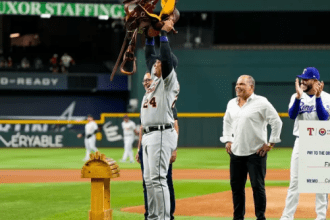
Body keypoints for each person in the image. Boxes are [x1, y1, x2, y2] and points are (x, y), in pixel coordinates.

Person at [220, 75, 283, 220]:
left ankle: (260, 217)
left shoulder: (261, 102)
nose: (238, 86)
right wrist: (228, 140)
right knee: (237, 188)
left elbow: (276, 122)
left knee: (257, 187)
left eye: (242, 84)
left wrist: (270, 143)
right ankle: (238, 217)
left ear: (251, 87)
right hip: (236, 152)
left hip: (256, 153)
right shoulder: (231, 103)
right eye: (237, 84)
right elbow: (227, 121)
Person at [140, 19, 180, 220]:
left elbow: (163, 56)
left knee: (158, 179)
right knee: (149, 180)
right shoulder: (155, 80)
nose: (155, 63)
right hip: (149, 135)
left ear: (166, 67)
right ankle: (154, 216)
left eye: (158, 63)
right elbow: (149, 56)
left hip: (162, 133)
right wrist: (148, 36)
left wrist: (163, 34)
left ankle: (163, 218)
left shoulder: (168, 80)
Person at [280, 67, 330, 220]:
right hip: (301, 140)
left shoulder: (327, 97)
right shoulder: (297, 96)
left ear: (315, 81)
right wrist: (297, 97)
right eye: (302, 78)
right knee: (294, 182)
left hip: (320, 141)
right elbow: (291, 115)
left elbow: (324, 118)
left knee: (320, 184)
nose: (302, 81)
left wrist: (318, 97)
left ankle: (320, 217)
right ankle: (287, 217)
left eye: (306, 79)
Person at [136, 74, 179, 219]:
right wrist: (139, 148)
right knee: (149, 181)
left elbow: (175, 124)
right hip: (148, 140)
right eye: (145, 80)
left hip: (161, 137)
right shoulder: (146, 98)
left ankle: (166, 216)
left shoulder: (163, 96)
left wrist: (174, 148)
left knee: (161, 180)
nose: (147, 82)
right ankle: (152, 216)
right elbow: (143, 126)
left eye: (149, 79)